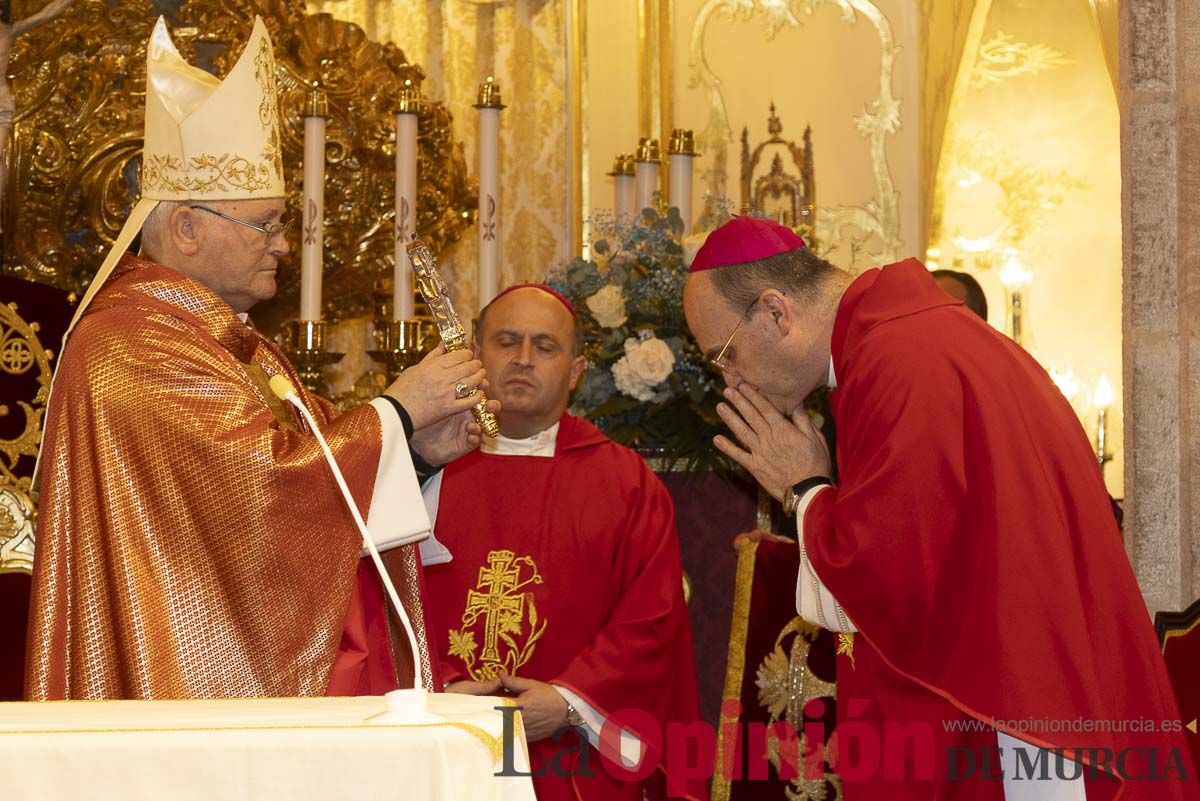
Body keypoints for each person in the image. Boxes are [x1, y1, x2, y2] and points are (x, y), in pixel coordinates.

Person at [25, 17, 492, 701]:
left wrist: (416, 448)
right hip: (175, 687)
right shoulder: (128, 344)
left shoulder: (224, 341)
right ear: (186, 228)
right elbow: (261, 492)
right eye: (267, 223)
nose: (282, 244)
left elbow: (308, 462)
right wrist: (397, 409)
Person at [683, 216, 1197, 800]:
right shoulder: (915, 342)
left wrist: (802, 489)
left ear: (777, 312)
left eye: (723, 354)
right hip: (1031, 681)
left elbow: (892, 579)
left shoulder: (898, 364)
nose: (730, 381)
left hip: (1018, 714)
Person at [421, 284, 705, 801]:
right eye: (506, 341)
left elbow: (651, 618)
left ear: (575, 373)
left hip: (574, 756)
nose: (523, 359)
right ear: (475, 357)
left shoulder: (624, 484)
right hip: (440, 743)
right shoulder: (422, 465)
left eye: (545, 346)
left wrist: (570, 700)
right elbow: (378, 596)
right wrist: (443, 692)